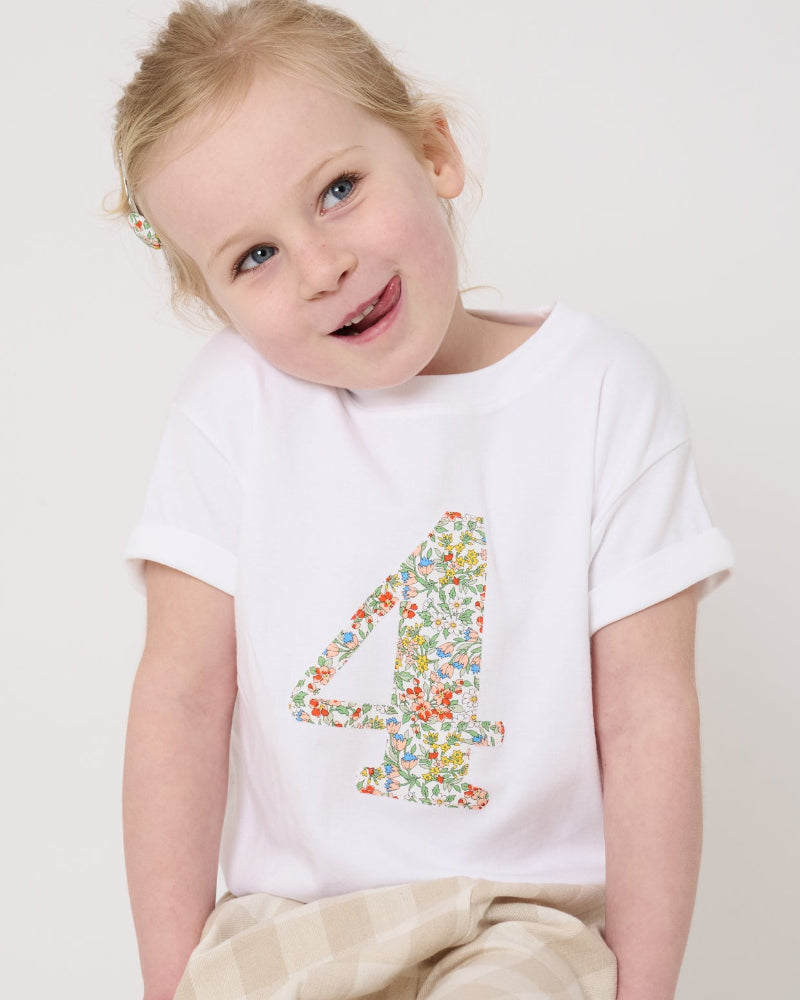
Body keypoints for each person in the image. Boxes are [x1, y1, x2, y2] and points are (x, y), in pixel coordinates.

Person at [113, 2, 734, 998]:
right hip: (295, 920)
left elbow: (647, 717)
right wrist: (172, 980)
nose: (322, 269)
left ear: (433, 150)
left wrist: (643, 988)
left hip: (517, 917)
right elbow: (181, 702)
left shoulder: (597, 391)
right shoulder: (231, 404)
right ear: (211, 301)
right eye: (253, 258)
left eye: (338, 190)